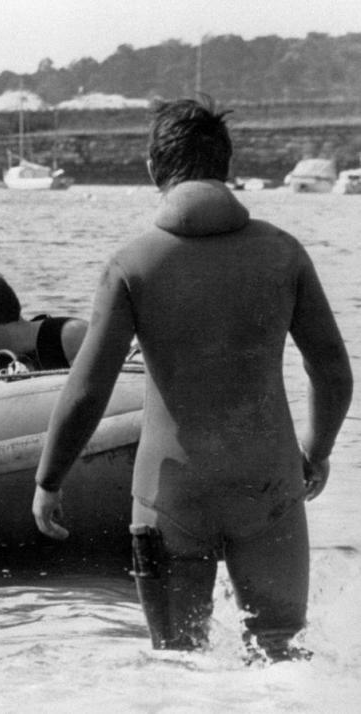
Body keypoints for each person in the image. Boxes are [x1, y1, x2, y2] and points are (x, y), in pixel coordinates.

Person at [31, 97, 352, 661]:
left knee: (177, 662)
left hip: (168, 495)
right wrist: (316, 450)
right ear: (225, 167)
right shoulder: (283, 253)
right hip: (270, 485)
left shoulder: (133, 264)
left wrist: (49, 479)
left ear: (154, 169)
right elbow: (331, 371)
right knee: (280, 656)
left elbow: (87, 389)